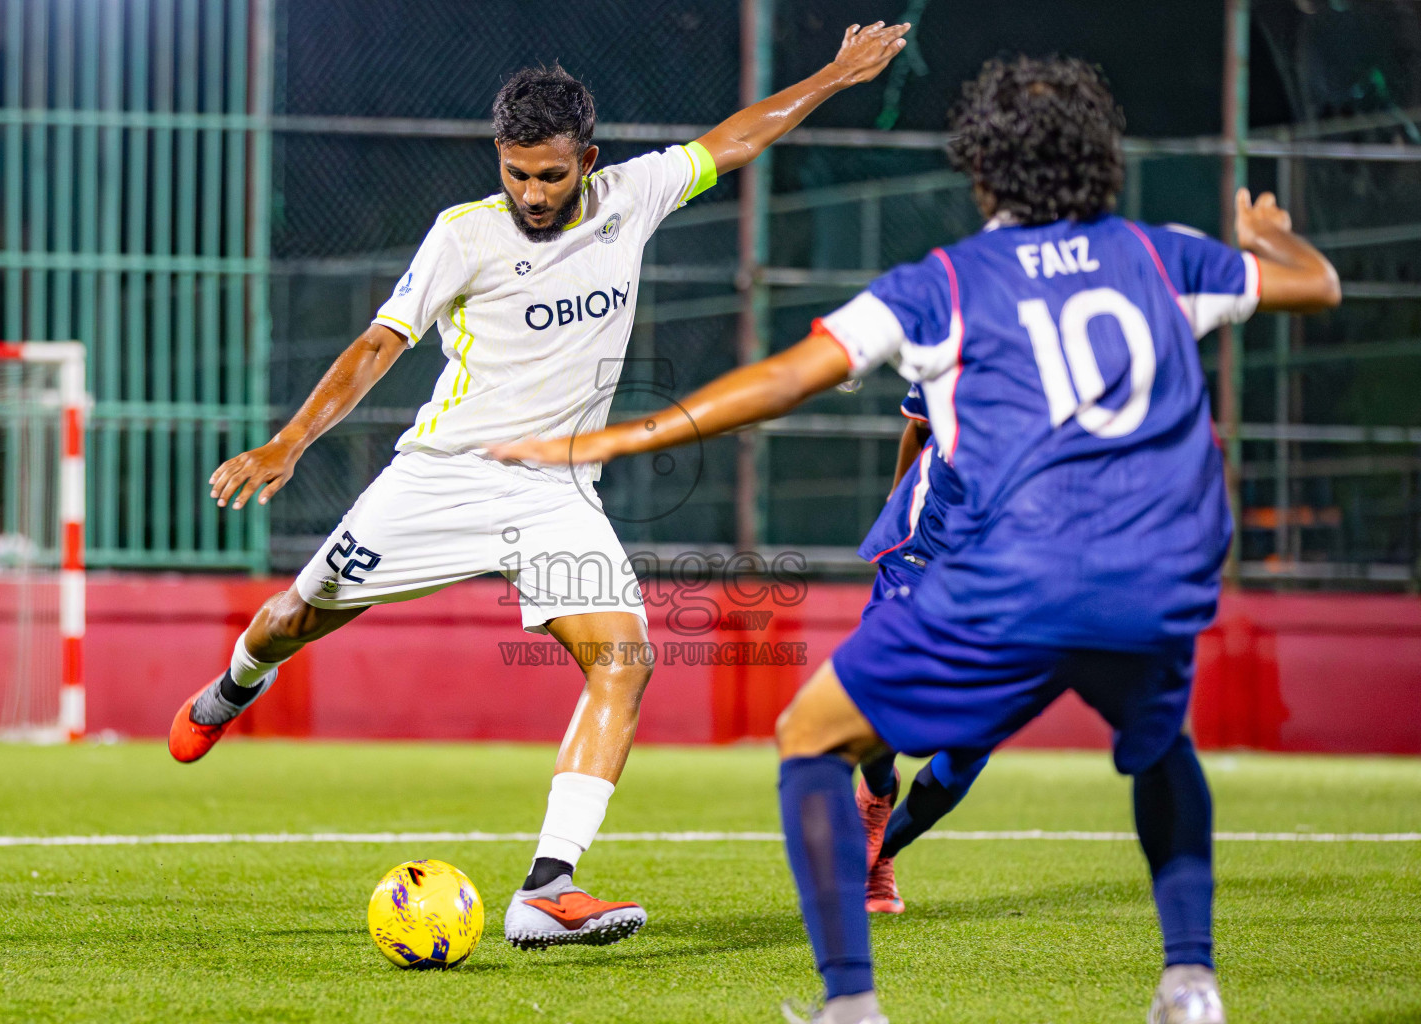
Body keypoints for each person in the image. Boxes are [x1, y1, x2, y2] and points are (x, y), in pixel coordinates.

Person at [491, 55, 1340, 1021]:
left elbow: (787, 377)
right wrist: (1269, 236)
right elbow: (1316, 285)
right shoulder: (1165, 255)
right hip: (1156, 577)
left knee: (812, 735)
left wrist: (622, 435)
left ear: (981, 169)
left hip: (1010, 577)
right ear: (1102, 159)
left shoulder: (945, 284)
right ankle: (1190, 982)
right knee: (1161, 746)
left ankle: (851, 1004)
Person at [167, 23, 913, 951]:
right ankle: (232, 689)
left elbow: (737, 138)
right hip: (442, 478)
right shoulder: (465, 234)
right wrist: (290, 440)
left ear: (586, 161)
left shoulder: (632, 196)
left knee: (626, 658)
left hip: (554, 491)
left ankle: (547, 887)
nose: (531, 193)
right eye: (516, 173)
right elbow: (378, 344)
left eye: (551, 176)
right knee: (293, 618)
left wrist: (835, 74)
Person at [851, 387, 989, 916]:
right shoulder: (962, 351)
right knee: (876, 694)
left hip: (1001, 579)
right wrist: (896, 498)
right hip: (920, 557)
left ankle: (882, 853)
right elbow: (919, 426)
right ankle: (876, 797)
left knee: (972, 745)